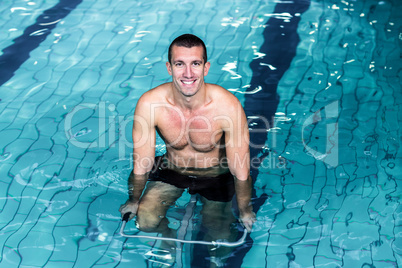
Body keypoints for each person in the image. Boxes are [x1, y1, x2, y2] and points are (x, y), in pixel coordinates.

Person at [119, 34, 255, 250]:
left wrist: (245, 208)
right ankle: (166, 236)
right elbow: (142, 163)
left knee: (220, 233)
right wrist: (134, 200)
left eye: (196, 64)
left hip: (215, 176)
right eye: (180, 64)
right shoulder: (150, 103)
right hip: (172, 171)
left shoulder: (228, 106)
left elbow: (240, 168)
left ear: (206, 68)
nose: (188, 73)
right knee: (145, 222)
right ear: (169, 67)